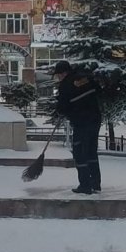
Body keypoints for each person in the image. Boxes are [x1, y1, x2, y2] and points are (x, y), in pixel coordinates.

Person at [53, 60, 102, 194]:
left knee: (79, 153)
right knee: (91, 151)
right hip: (95, 119)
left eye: (58, 74)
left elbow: (62, 107)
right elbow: (98, 90)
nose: (58, 77)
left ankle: (85, 185)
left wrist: (61, 111)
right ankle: (95, 183)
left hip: (82, 122)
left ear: (64, 73)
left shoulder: (65, 85)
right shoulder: (85, 78)